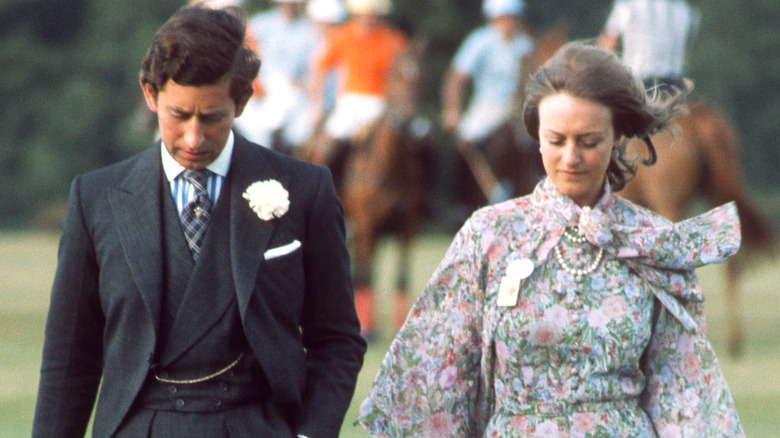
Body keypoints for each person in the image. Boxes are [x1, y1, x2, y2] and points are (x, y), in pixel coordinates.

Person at [359, 42, 744, 436]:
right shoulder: (489, 234)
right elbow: (435, 377)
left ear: (616, 138)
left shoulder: (652, 241)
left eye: (589, 141)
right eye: (556, 140)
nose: (571, 157)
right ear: (536, 137)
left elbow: (683, 389)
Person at [32, 5, 365, 438]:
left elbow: (337, 339)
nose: (194, 138)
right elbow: (69, 358)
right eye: (179, 115)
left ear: (242, 100)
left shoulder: (305, 189)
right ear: (150, 95)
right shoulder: (95, 199)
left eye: (212, 117)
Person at [441, 0, 535, 212]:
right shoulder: (479, 41)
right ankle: (459, 204)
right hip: (486, 107)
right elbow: (455, 79)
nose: (508, 23)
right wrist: (452, 111)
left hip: (516, 109)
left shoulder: (525, 44)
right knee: (463, 143)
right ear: (493, 19)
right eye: (504, 18)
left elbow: (531, 79)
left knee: (537, 146)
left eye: (512, 18)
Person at [304, 0, 407, 171]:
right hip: (352, 102)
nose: (369, 19)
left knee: (418, 139)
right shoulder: (342, 36)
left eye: (373, 15)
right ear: (356, 15)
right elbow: (320, 69)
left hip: (385, 104)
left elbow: (406, 72)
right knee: (328, 144)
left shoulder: (393, 39)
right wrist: (316, 104)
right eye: (365, 15)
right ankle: (319, 187)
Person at [232, 0, 319, 152]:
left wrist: (304, 82)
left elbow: (314, 66)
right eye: (286, 3)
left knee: (300, 130)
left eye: (293, 3)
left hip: (293, 89)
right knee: (260, 127)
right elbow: (249, 55)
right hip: (262, 84)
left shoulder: (309, 30)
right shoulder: (260, 24)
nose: (290, 6)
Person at [598, 0, 700, 94]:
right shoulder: (686, 10)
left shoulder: (629, 5)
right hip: (675, 86)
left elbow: (608, 45)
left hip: (638, 84)